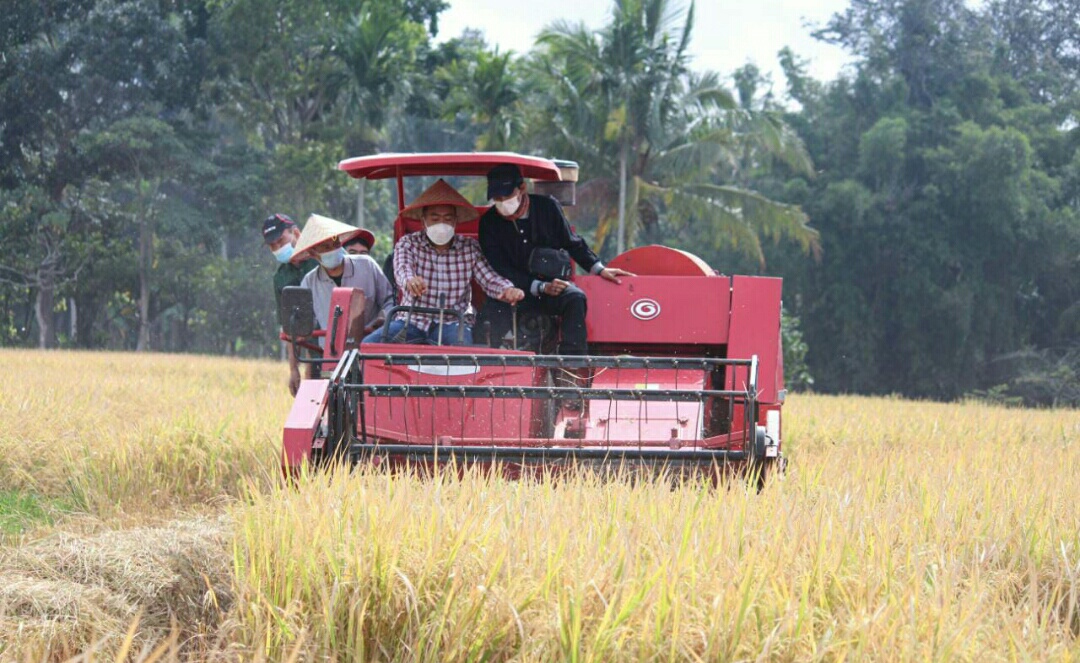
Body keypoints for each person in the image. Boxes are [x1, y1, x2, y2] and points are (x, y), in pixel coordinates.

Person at [478, 163, 634, 355]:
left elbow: (572, 242)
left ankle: (571, 362)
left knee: (575, 298)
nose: (502, 202)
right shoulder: (489, 223)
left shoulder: (547, 208)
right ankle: (491, 362)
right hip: (512, 289)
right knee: (489, 314)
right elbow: (499, 266)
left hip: (553, 285)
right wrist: (537, 286)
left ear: (522, 188)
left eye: (507, 196)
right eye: (497, 198)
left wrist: (599, 269)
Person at [364, 179, 524, 346]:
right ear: (423, 221)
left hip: (453, 322)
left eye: (447, 219)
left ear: (455, 221)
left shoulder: (469, 247)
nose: (441, 224)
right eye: (435, 218)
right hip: (411, 320)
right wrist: (410, 281)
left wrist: (507, 289)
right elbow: (402, 269)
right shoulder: (408, 243)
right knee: (369, 346)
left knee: (463, 353)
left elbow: (489, 278)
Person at [287, 214, 394, 393]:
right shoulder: (309, 283)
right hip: (332, 360)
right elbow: (296, 328)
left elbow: (390, 301)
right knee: (335, 405)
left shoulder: (367, 266)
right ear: (313, 253)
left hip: (371, 354)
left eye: (335, 243)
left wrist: (383, 318)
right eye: (325, 247)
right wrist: (293, 369)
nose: (333, 249)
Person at [263, 213, 320, 393]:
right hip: (313, 352)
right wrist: (294, 369)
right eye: (272, 246)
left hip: (340, 346)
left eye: (280, 241)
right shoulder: (281, 278)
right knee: (313, 396)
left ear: (296, 233)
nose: (278, 248)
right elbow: (290, 328)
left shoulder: (322, 258)